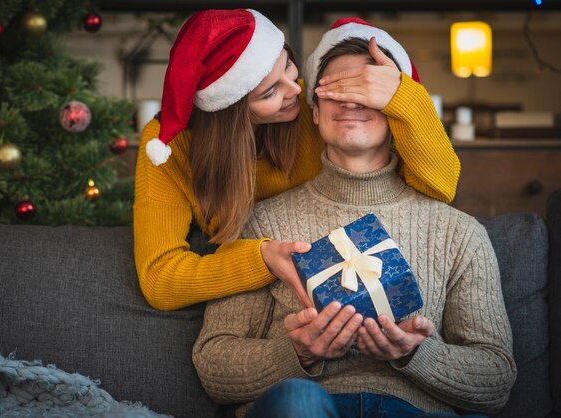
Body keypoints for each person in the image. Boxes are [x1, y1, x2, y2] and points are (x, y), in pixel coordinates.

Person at [192, 18, 516, 418]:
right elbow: (213, 366)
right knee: (298, 400)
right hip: (304, 408)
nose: (350, 102)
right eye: (334, 90)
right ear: (313, 111)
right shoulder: (262, 225)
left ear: (397, 110)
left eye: (368, 90)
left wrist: (419, 353)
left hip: (414, 409)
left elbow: (497, 379)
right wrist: (296, 351)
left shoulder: (458, 233)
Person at [134, 9, 461, 311]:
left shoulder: (316, 107)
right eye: (269, 92)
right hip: (254, 292)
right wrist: (261, 258)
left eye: (288, 64)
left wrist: (402, 93)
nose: (295, 89)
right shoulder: (167, 147)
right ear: (231, 111)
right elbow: (160, 280)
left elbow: (441, 186)